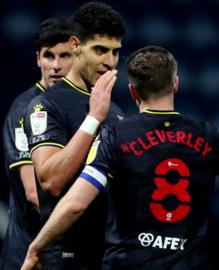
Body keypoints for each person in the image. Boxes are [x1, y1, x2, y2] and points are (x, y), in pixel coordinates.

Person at [21, 45, 219, 270]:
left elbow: (75, 204)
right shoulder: (208, 136)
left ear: (133, 91)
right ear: (176, 83)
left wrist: (37, 246)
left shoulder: (115, 136)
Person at [22, 2, 126, 269]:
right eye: (100, 50)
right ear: (76, 45)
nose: (110, 62)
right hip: (63, 256)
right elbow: (51, 180)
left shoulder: (114, 110)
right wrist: (93, 120)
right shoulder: (45, 105)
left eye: (116, 52)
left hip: (107, 254)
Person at [0, 17, 74, 270]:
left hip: (68, 251)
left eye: (64, 56)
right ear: (37, 59)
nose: (56, 66)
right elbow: (34, 193)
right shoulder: (24, 110)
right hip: (29, 254)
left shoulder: (82, 106)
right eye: (48, 56)